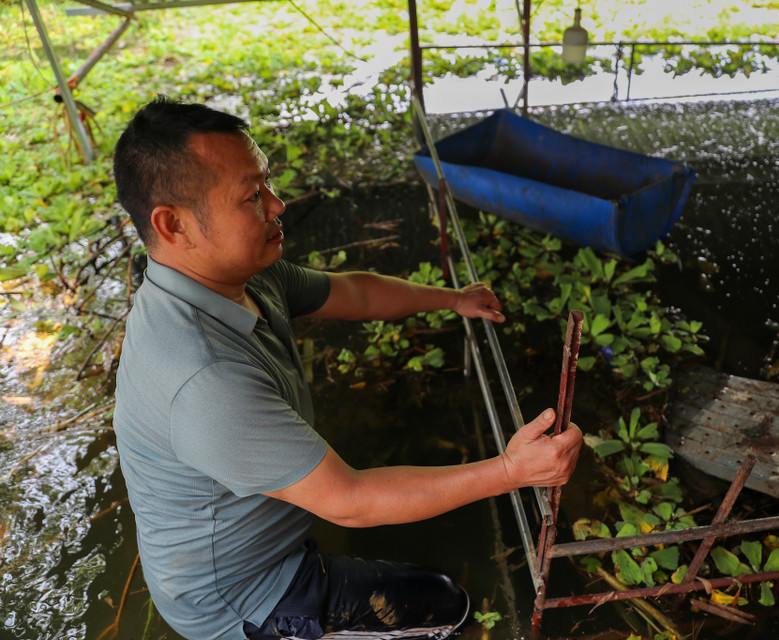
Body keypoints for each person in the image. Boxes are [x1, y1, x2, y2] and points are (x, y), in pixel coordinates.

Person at [111, 96, 582, 640]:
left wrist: (453, 299)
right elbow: (351, 500)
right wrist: (511, 472)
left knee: (438, 598)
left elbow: (351, 292)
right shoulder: (203, 379)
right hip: (247, 599)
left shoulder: (238, 277)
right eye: (250, 196)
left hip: (260, 540)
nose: (277, 204)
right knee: (447, 610)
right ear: (174, 225)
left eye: (267, 183)